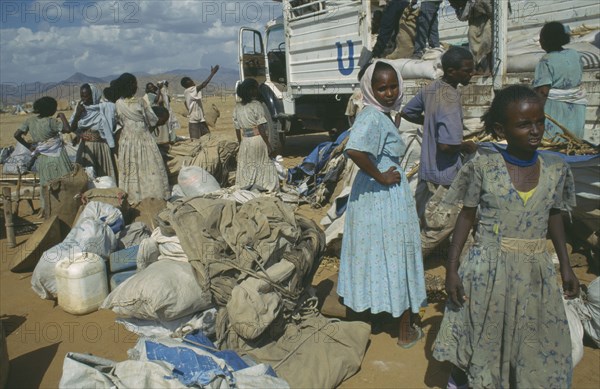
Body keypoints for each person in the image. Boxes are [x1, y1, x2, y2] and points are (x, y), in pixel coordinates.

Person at [433, 84, 579, 388]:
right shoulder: (483, 167)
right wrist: (451, 267)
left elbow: (554, 216)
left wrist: (565, 265)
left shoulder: (555, 169)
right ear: (502, 128)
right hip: (487, 271)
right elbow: (466, 216)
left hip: (534, 273)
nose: (535, 130)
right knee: (478, 340)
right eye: (524, 124)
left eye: (539, 121)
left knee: (533, 343)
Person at [337, 60, 426, 347]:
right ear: (370, 89)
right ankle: (404, 330)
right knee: (396, 253)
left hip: (376, 194)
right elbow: (353, 149)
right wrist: (381, 176)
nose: (389, 93)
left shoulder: (381, 115)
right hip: (382, 193)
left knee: (375, 253)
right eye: (382, 88)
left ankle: (372, 314)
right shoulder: (372, 117)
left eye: (393, 86)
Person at [401, 46, 477, 258]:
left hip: (430, 168)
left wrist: (429, 123)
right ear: (452, 72)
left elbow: (408, 111)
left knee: (460, 220)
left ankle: (467, 269)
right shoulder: (450, 98)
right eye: (467, 70)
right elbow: (446, 145)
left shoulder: (432, 88)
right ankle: (410, 261)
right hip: (446, 173)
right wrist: (466, 145)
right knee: (442, 226)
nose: (472, 73)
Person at [112, 73, 170, 203]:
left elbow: (118, 121)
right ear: (132, 86)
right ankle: (154, 197)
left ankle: (133, 198)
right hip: (144, 139)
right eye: (135, 83)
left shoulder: (118, 104)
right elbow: (152, 119)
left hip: (127, 141)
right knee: (149, 167)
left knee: (131, 168)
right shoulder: (140, 102)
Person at [14, 96, 73, 214]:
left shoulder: (30, 121)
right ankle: (65, 210)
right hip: (58, 157)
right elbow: (67, 129)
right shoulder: (51, 122)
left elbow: (16, 135)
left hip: (42, 158)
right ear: (50, 109)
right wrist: (62, 115)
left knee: (46, 184)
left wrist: (29, 146)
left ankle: (47, 209)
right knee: (64, 183)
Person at [533, 21, 587, 142]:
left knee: (553, 143)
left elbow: (543, 91)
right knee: (574, 142)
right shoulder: (575, 54)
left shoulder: (546, 60)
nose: (540, 41)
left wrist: (535, 112)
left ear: (547, 40)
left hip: (554, 108)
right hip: (577, 106)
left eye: (541, 38)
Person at [59, 83, 117, 181]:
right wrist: (77, 114)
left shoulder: (104, 108)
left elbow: (113, 126)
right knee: (87, 177)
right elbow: (71, 129)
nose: (83, 99)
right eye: (82, 96)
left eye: (86, 96)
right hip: (86, 148)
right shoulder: (80, 108)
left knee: (104, 177)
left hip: (101, 147)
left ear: (94, 95)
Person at [233, 78, 279, 192]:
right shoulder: (257, 105)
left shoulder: (237, 107)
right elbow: (261, 128)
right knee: (263, 163)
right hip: (258, 139)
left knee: (247, 165)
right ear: (252, 90)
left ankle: (247, 187)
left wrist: (240, 143)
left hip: (246, 140)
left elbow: (237, 129)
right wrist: (268, 144)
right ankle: (265, 186)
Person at [450, 0, 493, 74]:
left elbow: (491, 9)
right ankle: (478, 66)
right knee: (471, 35)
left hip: (488, 17)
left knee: (487, 37)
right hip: (474, 19)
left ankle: (489, 66)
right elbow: (463, 16)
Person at [181, 65, 220, 139]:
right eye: (191, 82)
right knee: (195, 141)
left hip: (201, 119)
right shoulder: (190, 90)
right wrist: (212, 74)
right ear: (188, 85)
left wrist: (190, 109)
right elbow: (204, 85)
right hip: (194, 121)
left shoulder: (187, 92)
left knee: (208, 139)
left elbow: (185, 102)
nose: (193, 82)